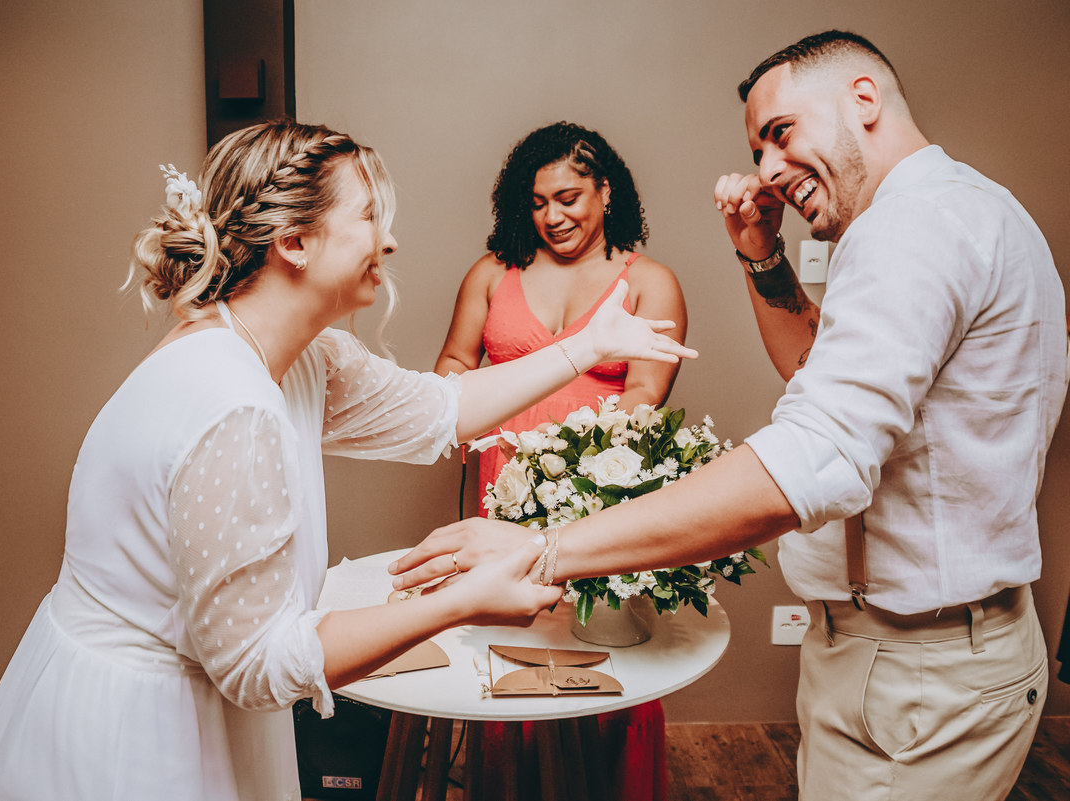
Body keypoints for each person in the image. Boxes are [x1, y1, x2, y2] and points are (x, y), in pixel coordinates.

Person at [391, 31, 1068, 801]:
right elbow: (813, 373)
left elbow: (816, 454)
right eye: (758, 151)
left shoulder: (909, 232)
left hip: (919, 665)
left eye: (780, 133)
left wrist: (542, 549)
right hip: (912, 654)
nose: (768, 171)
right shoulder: (966, 209)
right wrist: (763, 258)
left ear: (864, 98)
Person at [0, 120, 695, 801]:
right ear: (296, 243)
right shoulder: (230, 402)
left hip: (198, 708)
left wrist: (588, 346)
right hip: (135, 737)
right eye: (371, 215)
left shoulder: (299, 358)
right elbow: (258, 666)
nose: (390, 241)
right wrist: (462, 601)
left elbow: (442, 411)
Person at [434, 121, 685, 799]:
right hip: (504, 492)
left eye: (570, 197)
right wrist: (457, 405)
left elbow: (643, 395)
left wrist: (582, 463)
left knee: (600, 647)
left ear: (606, 191)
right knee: (510, 642)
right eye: (539, 201)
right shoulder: (492, 275)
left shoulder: (650, 281)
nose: (554, 216)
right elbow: (454, 362)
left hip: (597, 498)